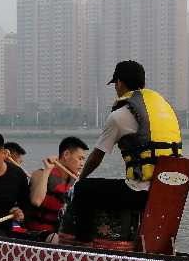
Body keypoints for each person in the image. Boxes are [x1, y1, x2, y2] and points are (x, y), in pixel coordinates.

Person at [68, 60, 182, 243]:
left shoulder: (119, 116)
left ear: (119, 83)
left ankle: (83, 245)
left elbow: (96, 157)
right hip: (170, 191)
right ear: (143, 83)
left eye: (115, 84)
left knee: (83, 190)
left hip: (141, 193)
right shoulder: (164, 110)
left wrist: (78, 180)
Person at [25, 137, 88, 241]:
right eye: (80, 158)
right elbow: (36, 201)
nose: (82, 164)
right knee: (56, 238)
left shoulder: (75, 182)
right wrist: (47, 170)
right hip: (36, 233)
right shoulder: (40, 174)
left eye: (83, 160)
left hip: (62, 233)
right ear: (66, 154)